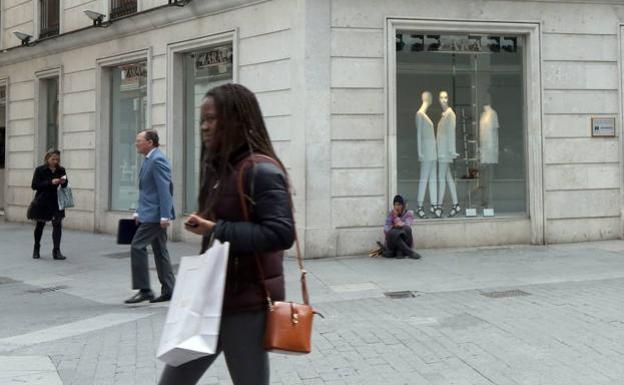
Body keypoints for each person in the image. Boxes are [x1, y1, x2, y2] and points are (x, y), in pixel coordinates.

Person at [158, 84, 295, 385]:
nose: (205, 126)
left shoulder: (262, 170)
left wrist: (217, 228)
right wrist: (207, 223)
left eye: (212, 118)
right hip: (212, 299)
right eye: (202, 120)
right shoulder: (224, 169)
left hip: (247, 304)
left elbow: (281, 233)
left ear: (236, 119)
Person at [124, 130, 176, 304]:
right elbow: (147, 191)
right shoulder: (149, 160)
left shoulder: (157, 160)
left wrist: (165, 216)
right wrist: (139, 211)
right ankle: (169, 289)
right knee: (160, 251)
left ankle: (145, 289)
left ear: (150, 143)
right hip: (150, 212)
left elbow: (165, 189)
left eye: (139, 140)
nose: (136, 143)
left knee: (137, 246)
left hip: (155, 215)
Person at [29, 149, 69, 260]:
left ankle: (57, 251)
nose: (55, 161)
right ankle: (36, 247)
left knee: (57, 225)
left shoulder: (61, 170)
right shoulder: (40, 170)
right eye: (53, 159)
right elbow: (34, 185)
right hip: (43, 201)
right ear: (47, 158)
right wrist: (50, 182)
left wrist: (63, 181)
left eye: (57, 159)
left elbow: (65, 185)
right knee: (40, 225)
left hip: (57, 201)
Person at [382, 195, 421, 259]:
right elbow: (386, 230)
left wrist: (396, 221)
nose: (397, 207)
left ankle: (399, 251)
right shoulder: (391, 214)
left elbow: (406, 226)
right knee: (392, 232)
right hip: (392, 244)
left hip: (405, 241)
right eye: (396, 205)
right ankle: (409, 252)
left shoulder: (409, 214)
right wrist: (394, 218)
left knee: (406, 229)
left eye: (400, 205)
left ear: (404, 205)